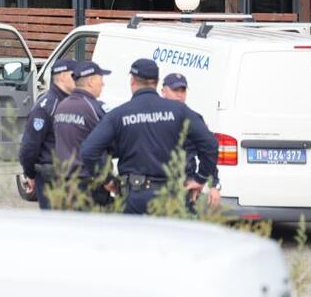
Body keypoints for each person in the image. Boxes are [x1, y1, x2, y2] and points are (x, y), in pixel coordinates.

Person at [79, 59, 218, 215]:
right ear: (157, 82)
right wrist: (201, 178)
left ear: (132, 81)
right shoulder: (180, 112)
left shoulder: (118, 114)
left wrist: (107, 179)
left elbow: (89, 150)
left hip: (133, 197)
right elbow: (210, 144)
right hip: (172, 196)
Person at [52, 61, 112, 205]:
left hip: (65, 181)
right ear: (90, 82)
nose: (103, 84)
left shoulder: (62, 106)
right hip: (89, 182)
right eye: (101, 79)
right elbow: (110, 144)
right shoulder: (94, 108)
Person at [19, 59, 76, 209]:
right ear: (62, 76)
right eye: (74, 75)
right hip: (52, 179)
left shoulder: (75, 103)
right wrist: (30, 174)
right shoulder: (46, 106)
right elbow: (29, 146)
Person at [161, 72, 222, 208]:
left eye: (183, 90)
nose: (179, 94)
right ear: (163, 91)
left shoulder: (194, 119)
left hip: (184, 185)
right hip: (157, 184)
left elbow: (208, 151)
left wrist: (212, 184)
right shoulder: (154, 115)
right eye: (175, 90)